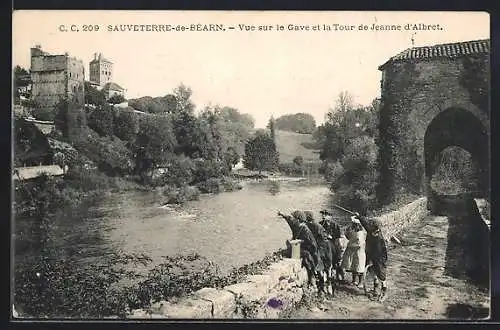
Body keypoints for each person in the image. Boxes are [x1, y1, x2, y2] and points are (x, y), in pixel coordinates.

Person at [353, 212, 388, 302]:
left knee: (381, 275)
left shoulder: (378, 237)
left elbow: (382, 251)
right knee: (373, 273)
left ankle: (384, 291)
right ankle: (376, 289)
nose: (369, 225)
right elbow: (365, 223)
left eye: (371, 224)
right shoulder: (371, 230)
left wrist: (380, 261)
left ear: (375, 227)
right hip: (371, 255)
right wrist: (359, 216)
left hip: (378, 258)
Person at [320, 210, 347, 282]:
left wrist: (331, 237)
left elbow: (338, 236)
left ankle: (339, 273)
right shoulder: (320, 224)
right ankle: (325, 273)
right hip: (324, 244)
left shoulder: (335, 225)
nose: (323, 216)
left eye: (326, 215)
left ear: (330, 216)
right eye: (323, 215)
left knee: (337, 258)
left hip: (333, 243)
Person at [341, 216, 367, 287]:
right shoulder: (352, 230)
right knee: (353, 265)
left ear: (357, 224)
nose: (352, 225)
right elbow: (348, 236)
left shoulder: (361, 232)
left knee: (359, 266)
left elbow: (360, 243)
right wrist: (347, 230)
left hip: (359, 251)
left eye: (354, 224)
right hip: (352, 249)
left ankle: (361, 282)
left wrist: (352, 245)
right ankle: (354, 281)